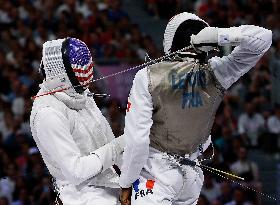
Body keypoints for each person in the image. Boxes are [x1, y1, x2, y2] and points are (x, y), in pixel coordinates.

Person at [119, 12, 272, 205]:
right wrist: (219, 35)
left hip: (155, 176)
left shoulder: (148, 76)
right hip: (191, 179)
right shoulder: (217, 72)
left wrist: (126, 182)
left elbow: (137, 141)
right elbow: (264, 38)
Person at [30, 38, 125, 205]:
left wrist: (130, 177)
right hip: (82, 195)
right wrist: (119, 145)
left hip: (110, 182)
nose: (87, 82)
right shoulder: (47, 114)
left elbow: (107, 137)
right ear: (62, 76)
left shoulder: (78, 93)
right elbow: (76, 172)